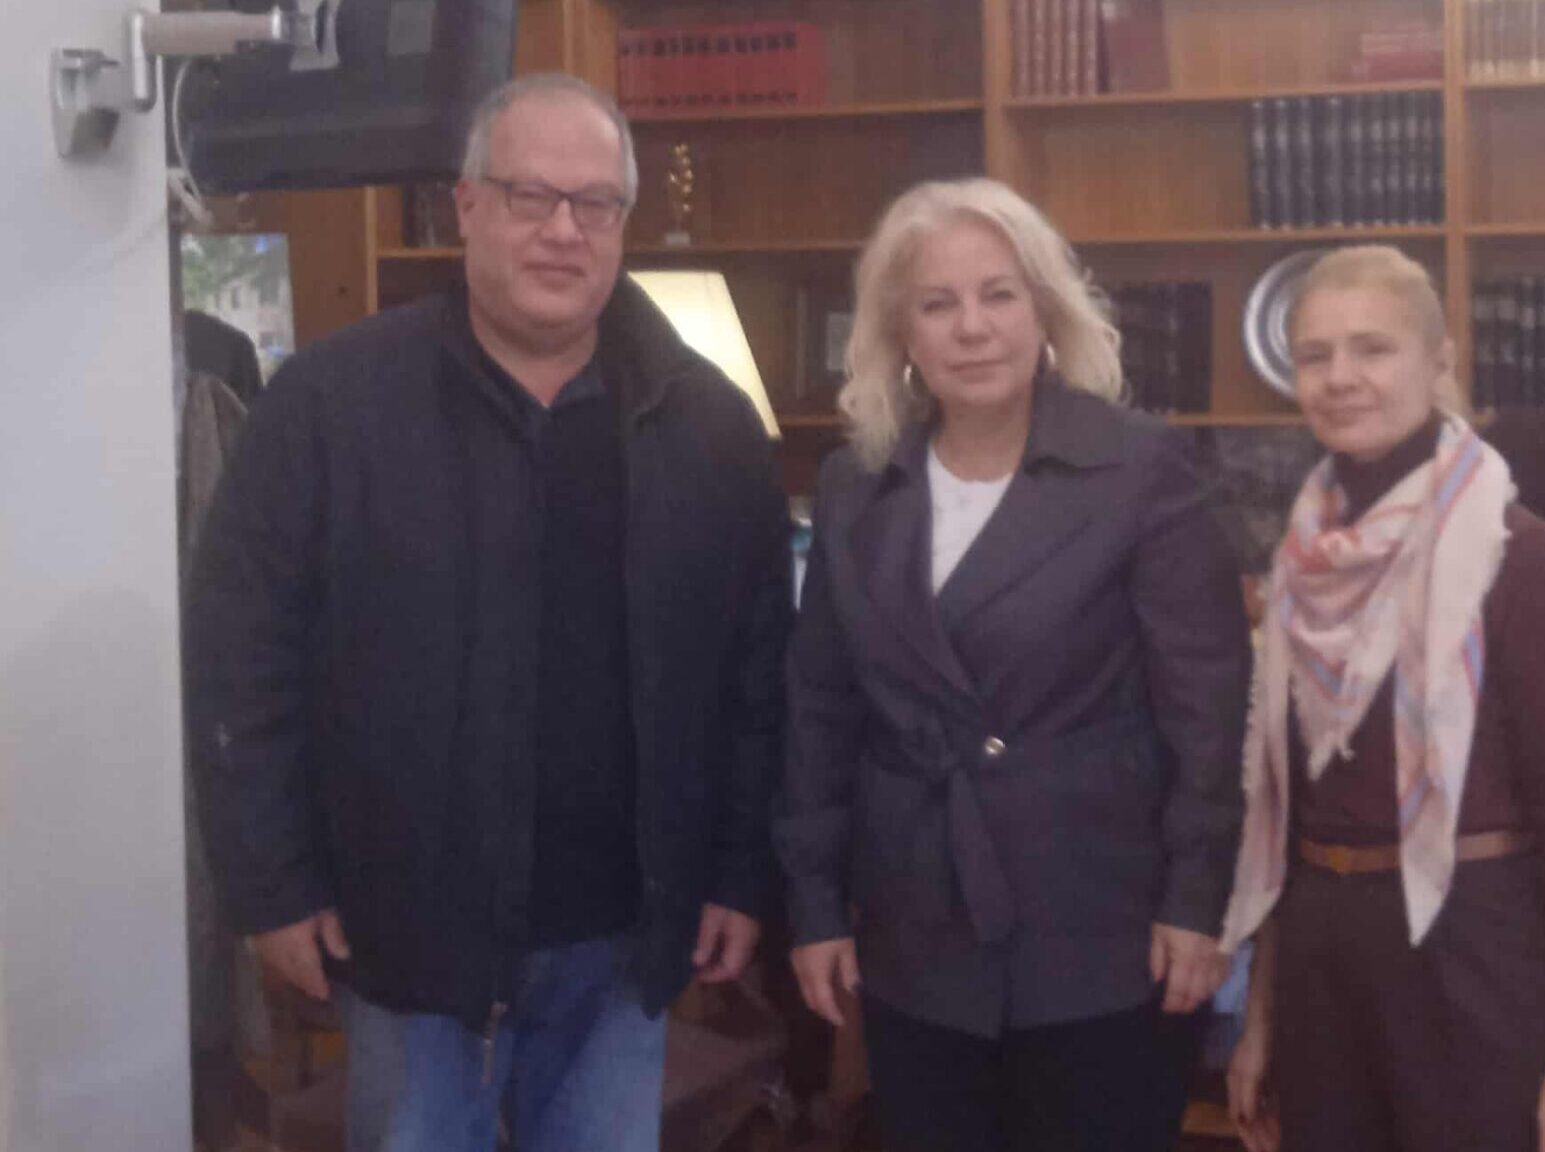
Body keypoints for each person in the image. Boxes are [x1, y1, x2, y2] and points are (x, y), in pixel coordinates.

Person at [184, 73, 791, 1152]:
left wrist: (743, 875)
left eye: (594, 203)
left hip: (622, 946)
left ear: (623, 222)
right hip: (407, 940)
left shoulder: (709, 428)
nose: (563, 230)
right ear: (466, 206)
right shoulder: (329, 408)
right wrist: (269, 886)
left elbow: (755, 681)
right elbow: (242, 662)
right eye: (530, 196)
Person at [775, 177, 1252, 1152]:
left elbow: (1208, 714)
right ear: (899, 332)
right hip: (916, 928)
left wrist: (1198, 903)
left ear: (1045, 309)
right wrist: (815, 906)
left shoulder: (1140, 469)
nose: (972, 328)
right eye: (937, 303)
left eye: (999, 294)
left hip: (1106, 931)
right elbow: (819, 711)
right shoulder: (857, 483)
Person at [1221, 246, 1545, 1152]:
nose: (1340, 377)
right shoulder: (1298, 566)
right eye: (1316, 355)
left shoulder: (1520, 558)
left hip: (1474, 946)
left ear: (1439, 363)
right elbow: (1290, 815)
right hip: (1323, 957)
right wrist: (1261, 1016)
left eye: (1373, 348)